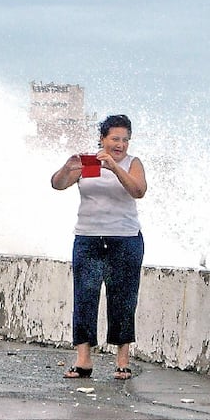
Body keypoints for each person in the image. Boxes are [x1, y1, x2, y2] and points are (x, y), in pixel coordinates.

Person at [50, 114, 147, 380]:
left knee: (123, 300)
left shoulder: (131, 163)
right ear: (102, 139)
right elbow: (58, 185)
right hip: (89, 238)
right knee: (85, 297)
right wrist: (68, 168)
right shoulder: (89, 163)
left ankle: (122, 360)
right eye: (115, 139)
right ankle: (83, 360)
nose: (120, 144)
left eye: (125, 140)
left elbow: (138, 190)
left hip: (125, 239)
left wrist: (116, 167)